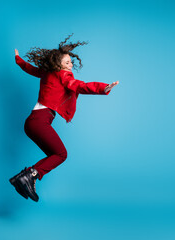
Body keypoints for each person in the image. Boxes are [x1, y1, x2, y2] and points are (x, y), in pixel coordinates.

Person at [9, 33, 119, 202]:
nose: (70, 64)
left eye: (71, 61)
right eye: (67, 62)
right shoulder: (63, 75)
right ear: (57, 63)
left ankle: (26, 178)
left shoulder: (47, 73)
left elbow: (30, 69)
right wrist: (103, 88)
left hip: (32, 123)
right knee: (61, 154)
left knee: (53, 156)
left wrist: (18, 59)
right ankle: (28, 176)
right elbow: (79, 86)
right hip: (39, 121)